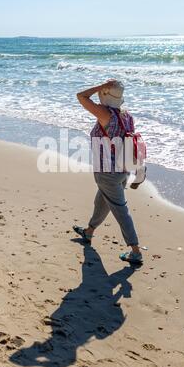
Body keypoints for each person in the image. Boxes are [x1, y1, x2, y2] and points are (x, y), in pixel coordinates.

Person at [73, 79, 143, 265]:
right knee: (101, 202)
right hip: (123, 170)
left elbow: (81, 96)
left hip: (107, 173)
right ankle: (88, 232)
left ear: (105, 94)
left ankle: (135, 251)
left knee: (120, 210)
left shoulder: (106, 115)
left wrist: (98, 87)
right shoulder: (126, 115)